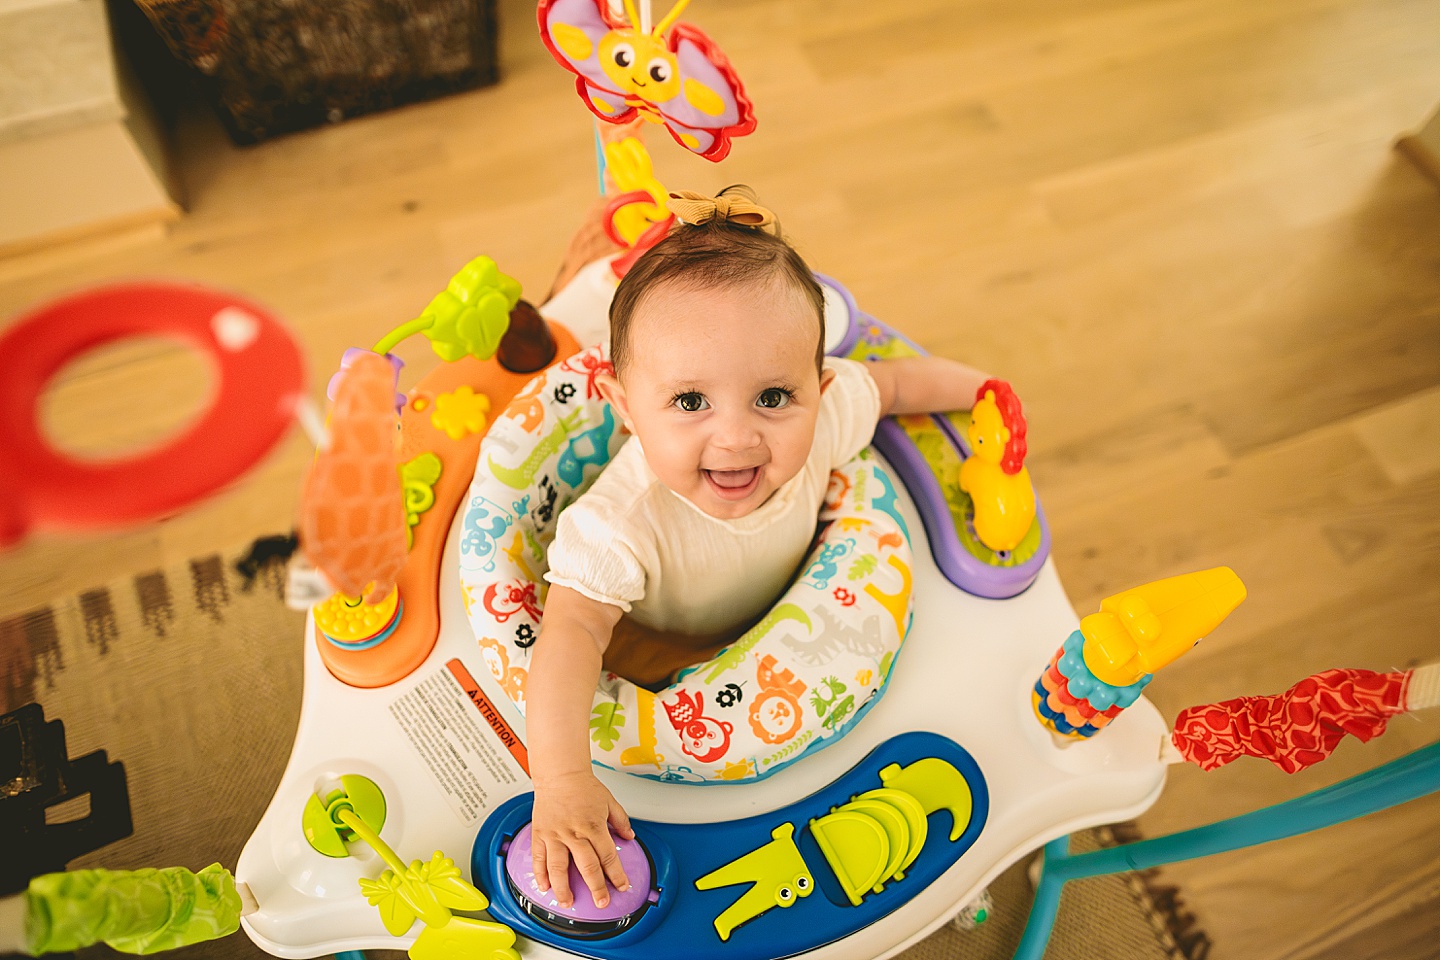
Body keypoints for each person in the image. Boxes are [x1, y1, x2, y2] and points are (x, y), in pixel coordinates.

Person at [525, 186, 994, 910]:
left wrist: (987, 390)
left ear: (819, 386)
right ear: (625, 409)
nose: (737, 437)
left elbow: (898, 385)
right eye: (689, 402)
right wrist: (560, 781)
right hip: (652, 645)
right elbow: (570, 632)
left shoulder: (830, 419)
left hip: (785, 630)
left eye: (773, 396)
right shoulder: (617, 524)